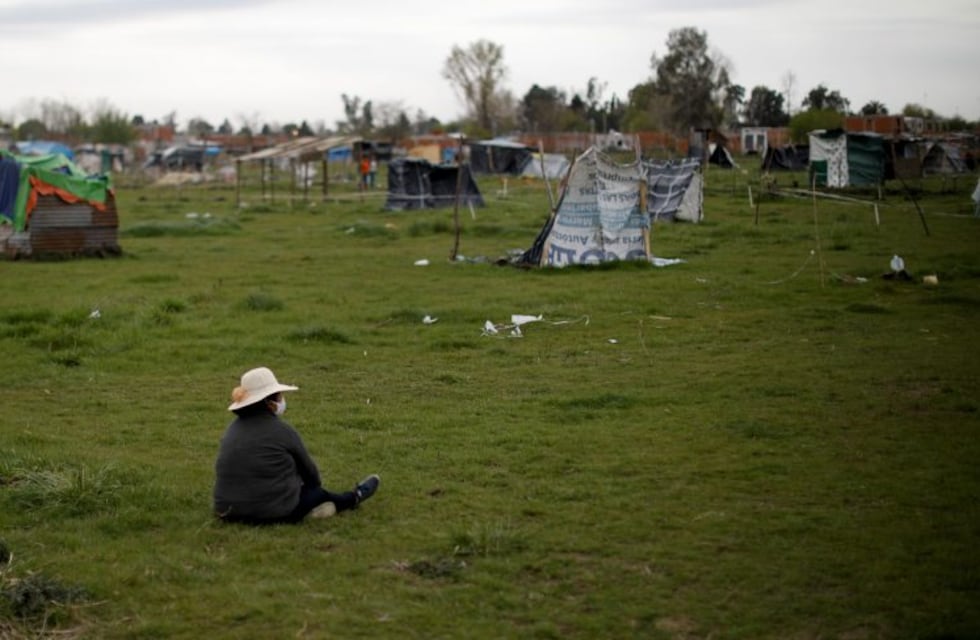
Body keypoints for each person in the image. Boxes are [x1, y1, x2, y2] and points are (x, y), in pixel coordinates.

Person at [213, 366, 379, 525]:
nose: (281, 400)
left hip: (226, 511)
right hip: (272, 513)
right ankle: (354, 497)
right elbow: (311, 476)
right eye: (278, 395)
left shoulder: (231, 430)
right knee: (318, 494)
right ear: (269, 401)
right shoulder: (282, 431)